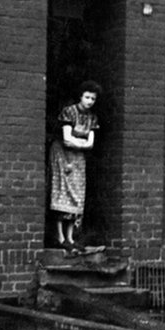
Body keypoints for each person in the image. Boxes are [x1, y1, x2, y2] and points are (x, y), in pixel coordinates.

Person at [48, 80, 101, 254]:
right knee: (62, 192)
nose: (90, 101)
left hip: (78, 158)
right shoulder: (69, 112)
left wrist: (77, 143)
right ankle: (60, 237)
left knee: (76, 195)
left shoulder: (92, 118)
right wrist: (81, 142)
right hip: (62, 156)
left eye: (93, 98)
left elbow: (91, 143)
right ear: (80, 96)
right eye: (87, 97)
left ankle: (71, 238)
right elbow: (66, 140)